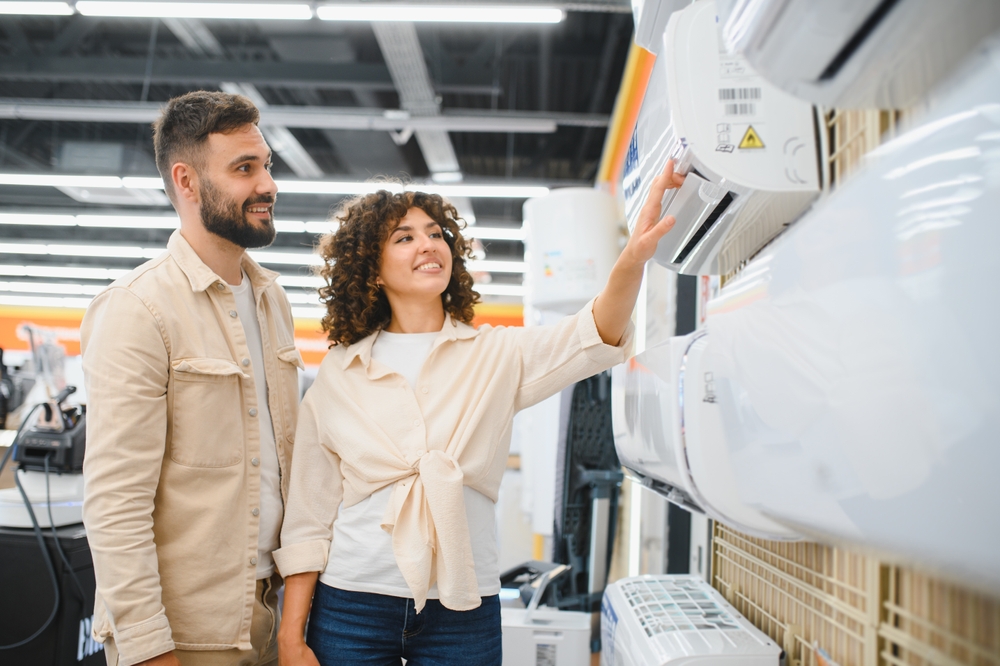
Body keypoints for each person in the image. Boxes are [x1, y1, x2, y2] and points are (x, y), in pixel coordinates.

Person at [274, 161, 685, 665]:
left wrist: (634, 257)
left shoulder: (496, 354)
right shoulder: (341, 372)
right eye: (404, 237)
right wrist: (291, 637)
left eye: (435, 232)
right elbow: (309, 517)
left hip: (462, 605)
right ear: (373, 269)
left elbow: (594, 333)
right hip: (352, 601)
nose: (428, 244)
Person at [81, 91, 302, 666]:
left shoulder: (270, 298)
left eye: (267, 165)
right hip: (188, 634)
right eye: (244, 169)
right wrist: (149, 648)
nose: (268, 185)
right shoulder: (137, 308)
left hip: (272, 617)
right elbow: (115, 503)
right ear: (186, 181)